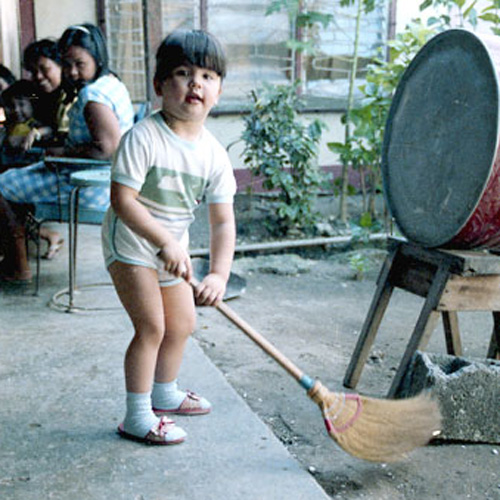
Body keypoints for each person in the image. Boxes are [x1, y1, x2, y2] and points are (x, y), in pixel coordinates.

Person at [101, 29, 236, 445]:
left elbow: (221, 223)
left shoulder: (214, 154)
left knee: (182, 323)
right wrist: (163, 240)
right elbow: (123, 201)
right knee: (152, 327)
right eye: (183, 72)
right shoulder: (144, 137)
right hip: (130, 242)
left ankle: (164, 394)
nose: (196, 83)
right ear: (160, 86)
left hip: (169, 247)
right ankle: (137, 416)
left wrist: (218, 274)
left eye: (208, 76)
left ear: (218, 91)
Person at [0, 23, 134, 282]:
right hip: (104, 179)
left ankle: (19, 267)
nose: (72, 72)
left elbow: (106, 148)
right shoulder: (111, 83)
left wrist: (59, 151)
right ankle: (24, 252)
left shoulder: (93, 95)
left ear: (97, 57)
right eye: (67, 64)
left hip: (89, 187)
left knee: (1, 186)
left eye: (80, 64)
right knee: (17, 179)